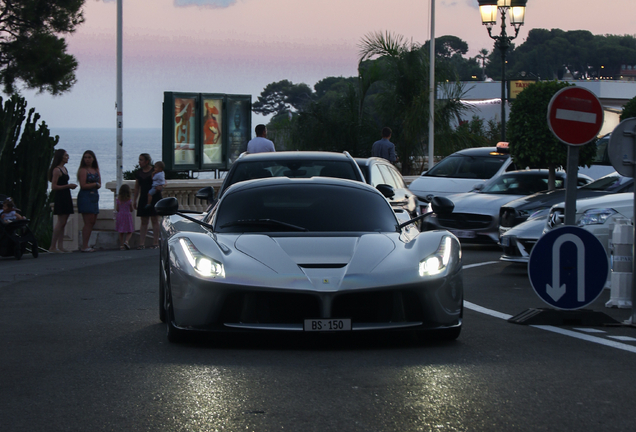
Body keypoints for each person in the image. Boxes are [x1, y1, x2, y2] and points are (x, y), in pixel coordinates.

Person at [48, 149, 77, 253]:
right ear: (61, 157)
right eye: (66, 155)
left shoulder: (64, 169)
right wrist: (68, 186)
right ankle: (52, 246)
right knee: (60, 222)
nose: (67, 157)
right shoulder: (57, 170)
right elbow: (54, 186)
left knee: (64, 222)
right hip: (61, 196)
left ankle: (60, 246)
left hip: (66, 195)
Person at [133, 153, 161, 249]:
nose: (139, 162)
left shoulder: (155, 171)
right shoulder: (139, 172)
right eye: (139, 160)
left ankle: (155, 242)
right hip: (143, 197)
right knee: (144, 221)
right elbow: (137, 187)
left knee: (154, 219)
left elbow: (161, 181)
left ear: (147, 161)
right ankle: (141, 243)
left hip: (154, 197)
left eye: (141, 160)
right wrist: (134, 200)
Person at [77, 150, 101, 253]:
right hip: (85, 196)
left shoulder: (95, 169)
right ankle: (84, 245)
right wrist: (95, 184)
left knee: (92, 221)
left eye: (89, 157)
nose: (87, 159)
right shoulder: (83, 170)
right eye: (85, 157)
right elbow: (83, 185)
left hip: (94, 196)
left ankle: (87, 244)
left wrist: (96, 185)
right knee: (88, 221)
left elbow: (99, 182)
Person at [115, 184, 134, 250]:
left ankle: (121, 245)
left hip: (120, 215)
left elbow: (117, 209)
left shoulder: (118, 200)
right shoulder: (129, 200)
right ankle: (126, 241)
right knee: (130, 230)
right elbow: (131, 209)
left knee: (121, 231)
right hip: (127, 216)